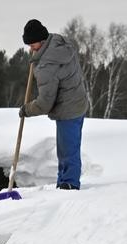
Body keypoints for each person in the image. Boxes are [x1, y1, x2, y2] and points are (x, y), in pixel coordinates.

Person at [19, 19, 89, 190]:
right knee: (69, 148)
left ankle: (69, 184)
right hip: (78, 103)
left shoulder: (46, 66)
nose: (30, 48)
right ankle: (64, 181)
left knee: (67, 150)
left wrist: (26, 110)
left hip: (68, 109)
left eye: (32, 44)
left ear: (41, 41)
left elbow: (44, 104)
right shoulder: (59, 43)